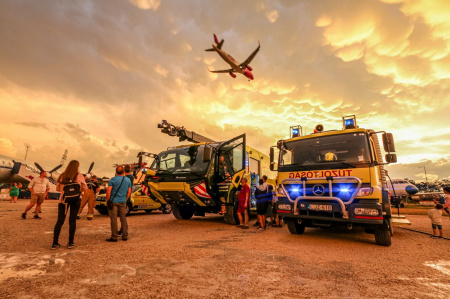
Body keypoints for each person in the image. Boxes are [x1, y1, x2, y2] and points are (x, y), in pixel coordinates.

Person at [52, 160, 87, 249]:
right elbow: (85, 187)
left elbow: (57, 188)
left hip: (63, 200)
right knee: (72, 221)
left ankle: (55, 243)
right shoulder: (79, 175)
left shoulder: (62, 175)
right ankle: (70, 242)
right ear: (77, 167)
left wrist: (64, 191)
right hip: (76, 200)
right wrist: (79, 191)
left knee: (60, 221)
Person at [106, 166, 132, 242]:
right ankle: (125, 236)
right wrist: (125, 199)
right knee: (123, 218)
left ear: (116, 172)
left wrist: (108, 200)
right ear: (123, 171)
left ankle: (114, 237)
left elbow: (108, 192)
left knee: (113, 219)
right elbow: (129, 192)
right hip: (123, 201)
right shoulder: (128, 180)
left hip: (114, 201)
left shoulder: (113, 180)